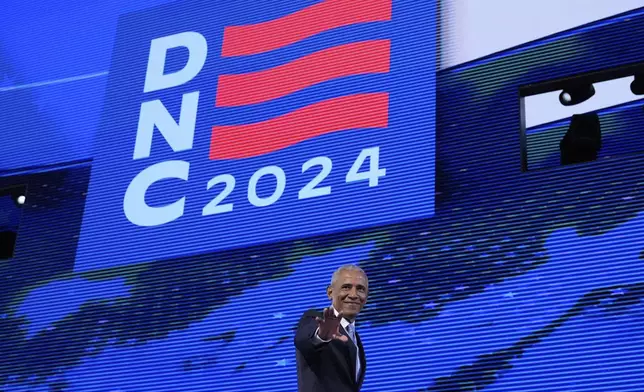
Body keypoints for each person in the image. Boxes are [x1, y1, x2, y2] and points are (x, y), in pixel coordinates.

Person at [294, 265, 369, 392]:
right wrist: (322, 337)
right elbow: (303, 341)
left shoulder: (355, 338)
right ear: (330, 292)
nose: (353, 295)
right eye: (346, 287)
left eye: (360, 289)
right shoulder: (314, 319)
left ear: (366, 297)